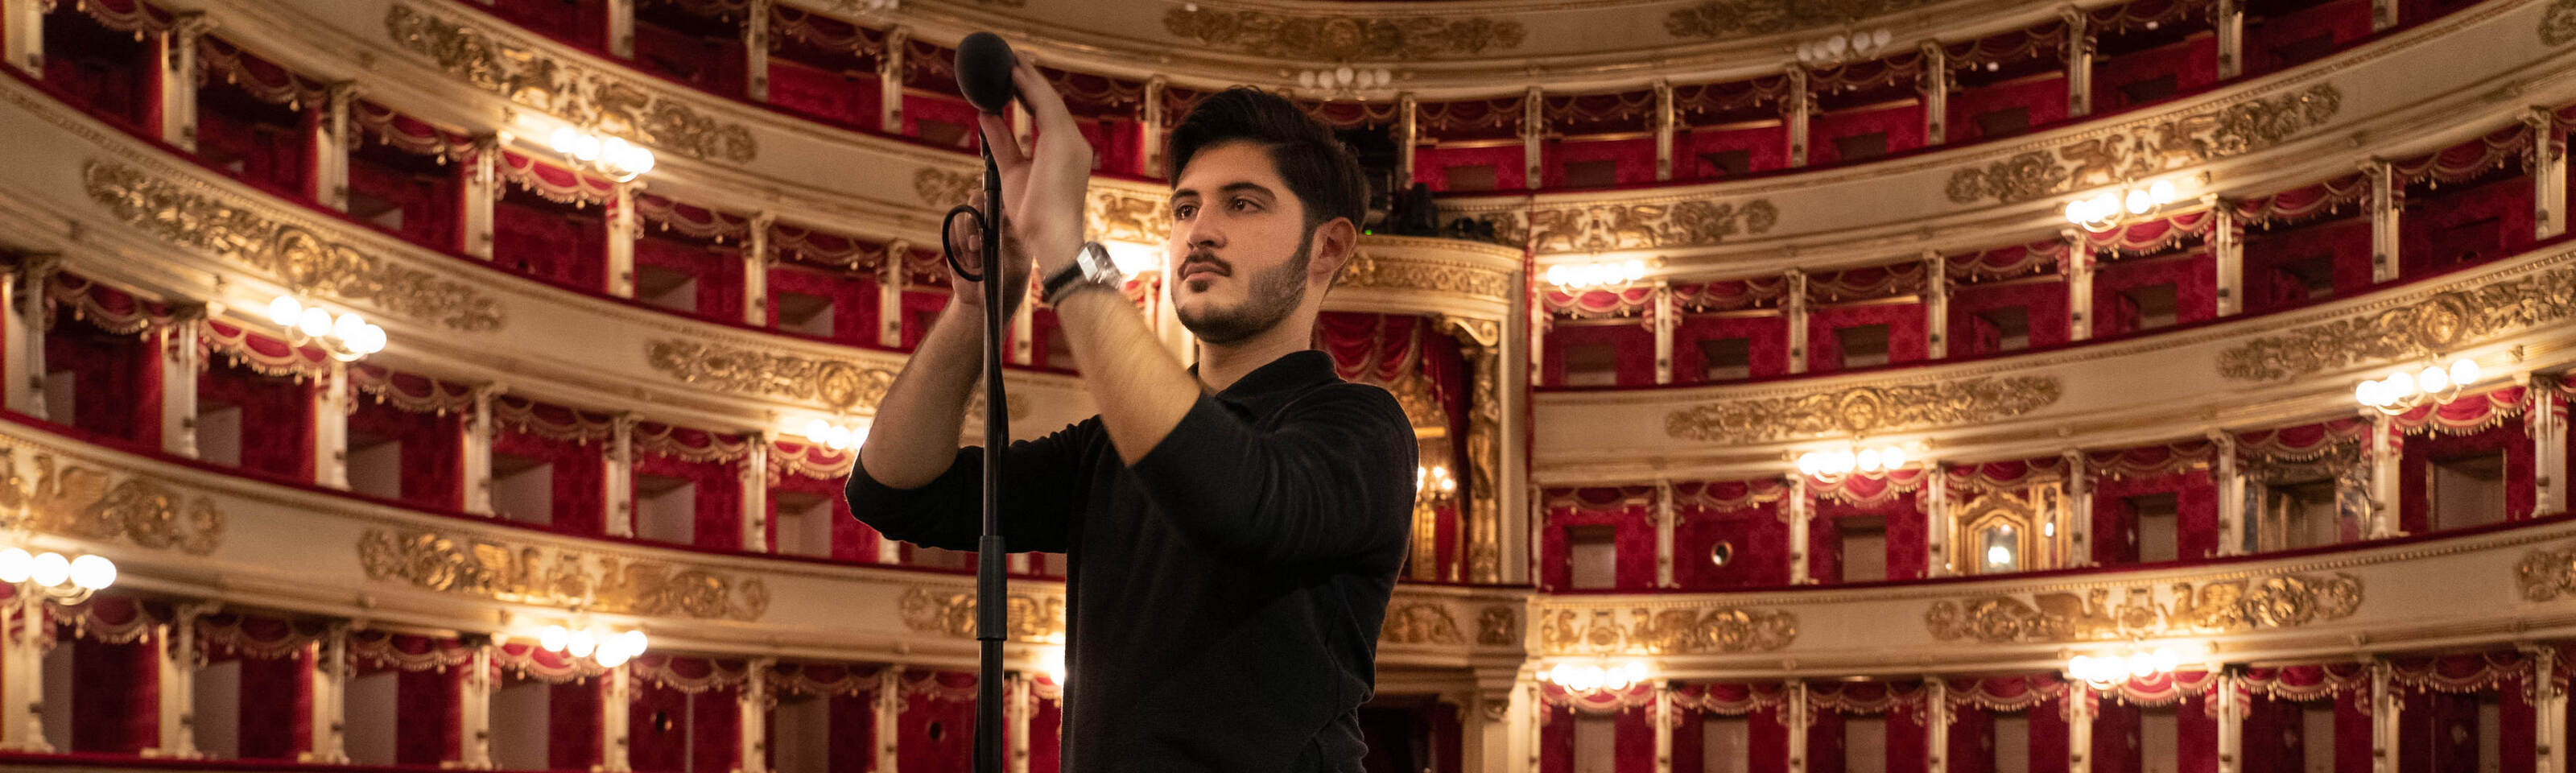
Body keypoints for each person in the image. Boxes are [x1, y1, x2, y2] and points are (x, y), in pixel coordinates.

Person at [844, 56, 1418, 772]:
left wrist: (1068, 249)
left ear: (1327, 247)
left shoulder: (1362, 427)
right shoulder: (1110, 447)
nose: (1200, 231)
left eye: (1242, 204)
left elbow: (1236, 498)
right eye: (1185, 208)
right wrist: (975, 309)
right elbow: (895, 491)